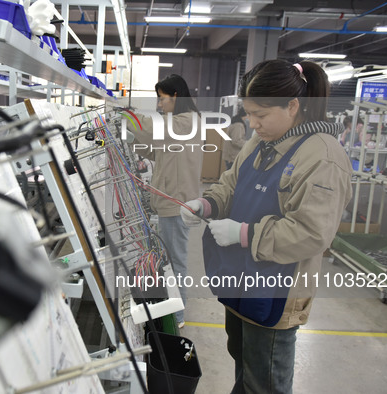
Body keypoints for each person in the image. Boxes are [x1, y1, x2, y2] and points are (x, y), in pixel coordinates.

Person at [180, 60, 352, 393]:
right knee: (245, 366)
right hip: (242, 280)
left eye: (261, 115)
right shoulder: (261, 144)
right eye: (249, 115)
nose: (253, 124)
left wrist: (244, 234)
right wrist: (208, 204)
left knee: (266, 381)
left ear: (292, 106)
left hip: (277, 291)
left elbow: (312, 232)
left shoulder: (323, 157)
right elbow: (231, 183)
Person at [127, 74, 203, 328]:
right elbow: (158, 149)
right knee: (170, 259)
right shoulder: (181, 124)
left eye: (162, 99)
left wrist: (129, 118)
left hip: (176, 203)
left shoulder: (187, 121)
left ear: (176, 96)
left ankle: (178, 316)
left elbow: (152, 129)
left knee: (176, 262)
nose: (160, 105)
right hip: (171, 201)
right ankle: (172, 310)